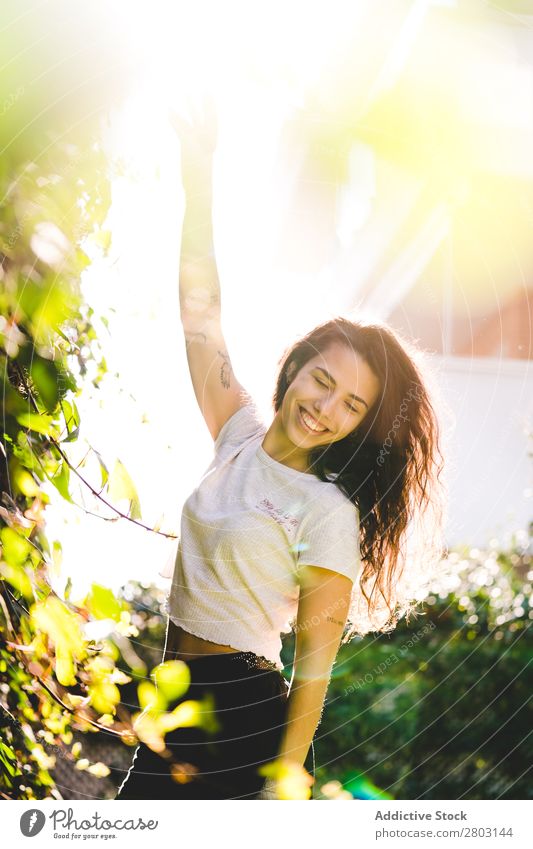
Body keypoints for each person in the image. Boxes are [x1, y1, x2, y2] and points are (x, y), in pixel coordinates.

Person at [115, 96, 445, 801]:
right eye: (321, 380)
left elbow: (314, 664)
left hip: (241, 717)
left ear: (359, 425)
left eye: (351, 405)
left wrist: (283, 778)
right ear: (293, 366)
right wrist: (197, 177)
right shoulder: (235, 432)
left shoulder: (327, 512)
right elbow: (198, 313)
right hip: (175, 701)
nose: (324, 408)